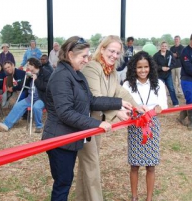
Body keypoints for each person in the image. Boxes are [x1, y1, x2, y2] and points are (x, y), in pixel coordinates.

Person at [42, 36, 133, 201]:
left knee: (65, 182)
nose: (86, 59)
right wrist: (97, 123)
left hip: (69, 138)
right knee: (62, 185)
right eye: (83, 56)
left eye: (87, 55)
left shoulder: (75, 74)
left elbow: (92, 101)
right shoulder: (61, 77)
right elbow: (65, 113)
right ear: (70, 55)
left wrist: (119, 102)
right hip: (59, 139)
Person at [75, 35, 139, 201]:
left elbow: (119, 92)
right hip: (85, 123)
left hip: (97, 124)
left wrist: (137, 106)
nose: (114, 55)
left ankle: (82, 198)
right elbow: (95, 99)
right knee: (92, 166)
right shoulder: (92, 68)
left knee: (87, 166)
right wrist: (116, 111)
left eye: (118, 52)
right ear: (102, 49)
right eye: (111, 51)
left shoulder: (111, 72)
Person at [123, 51, 168, 201]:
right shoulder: (128, 84)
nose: (143, 70)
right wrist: (135, 110)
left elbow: (163, 106)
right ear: (133, 68)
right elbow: (124, 107)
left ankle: (149, 198)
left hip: (152, 127)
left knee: (151, 165)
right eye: (139, 67)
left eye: (146, 67)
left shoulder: (159, 84)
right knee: (134, 165)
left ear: (151, 67)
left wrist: (156, 109)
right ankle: (134, 197)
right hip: (135, 126)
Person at [0, 58, 51, 133]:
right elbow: (22, 85)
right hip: (30, 97)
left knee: (36, 107)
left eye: (28, 65)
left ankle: (39, 126)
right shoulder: (30, 73)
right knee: (18, 105)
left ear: (34, 65)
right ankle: (6, 125)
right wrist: (26, 78)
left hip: (41, 98)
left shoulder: (46, 73)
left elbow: (47, 87)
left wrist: (36, 80)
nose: (27, 67)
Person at [153, 41, 179, 107]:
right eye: (163, 46)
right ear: (160, 47)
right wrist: (161, 68)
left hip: (168, 74)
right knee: (159, 90)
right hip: (159, 75)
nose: (164, 47)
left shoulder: (170, 53)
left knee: (171, 88)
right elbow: (154, 66)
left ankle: (175, 103)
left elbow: (174, 62)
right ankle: (158, 104)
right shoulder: (156, 55)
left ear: (167, 47)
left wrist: (169, 67)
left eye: (165, 46)